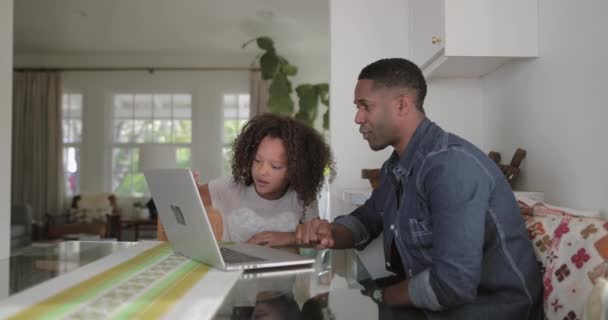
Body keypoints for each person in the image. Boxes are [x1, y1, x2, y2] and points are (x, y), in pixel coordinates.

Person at [295, 58, 543, 319]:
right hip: (436, 302)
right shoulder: (397, 166)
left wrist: (378, 298)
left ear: (401, 104)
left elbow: (452, 283)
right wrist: (330, 232)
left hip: (486, 309)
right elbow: (366, 220)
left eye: (365, 106)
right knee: (317, 307)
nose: (358, 118)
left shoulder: (450, 167)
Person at [195, 112, 335, 246]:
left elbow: (317, 239)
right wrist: (189, 189)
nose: (262, 172)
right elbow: (188, 201)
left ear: (296, 169)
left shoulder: (303, 198)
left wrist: (288, 238)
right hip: (237, 268)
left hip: (284, 269)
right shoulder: (229, 187)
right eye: (257, 160)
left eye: (275, 166)